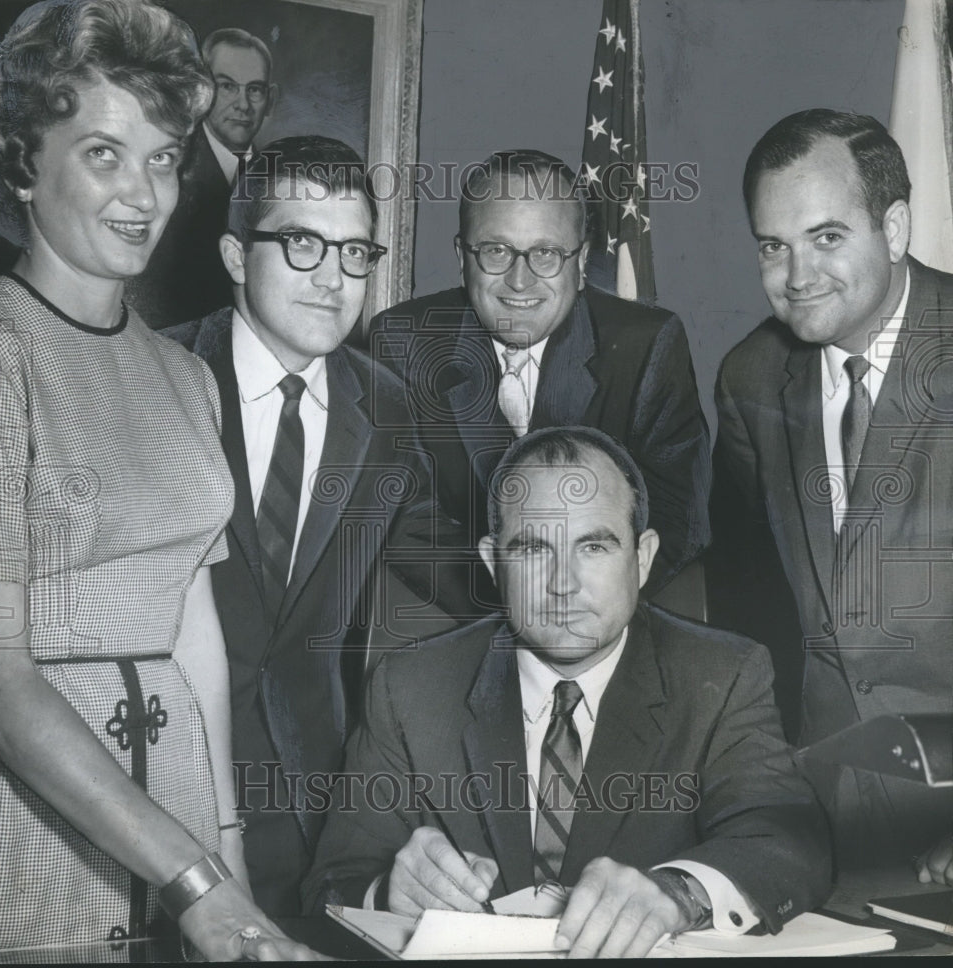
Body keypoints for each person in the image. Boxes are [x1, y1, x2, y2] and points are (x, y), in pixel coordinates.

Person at [0, 0, 316, 959]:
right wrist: (194, 879)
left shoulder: (183, 377)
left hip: (184, 879)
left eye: (162, 157)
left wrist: (227, 876)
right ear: (25, 163)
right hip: (20, 863)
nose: (145, 194)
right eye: (104, 153)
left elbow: (197, 644)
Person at [303, 427, 831, 957]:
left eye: (594, 545)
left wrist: (677, 893)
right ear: (493, 564)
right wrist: (387, 892)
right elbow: (331, 883)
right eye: (533, 548)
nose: (563, 583)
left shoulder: (722, 675)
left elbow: (788, 842)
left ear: (643, 558)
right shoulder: (409, 687)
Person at [167, 135, 462, 918]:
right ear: (236, 254)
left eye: (356, 252)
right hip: (159, 792)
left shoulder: (390, 407)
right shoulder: (158, 379)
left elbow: (454, 579)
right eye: (302, 243)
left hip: (315, 811)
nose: (334, 279)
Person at [708, 109, 953, 879]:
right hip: (817, 811)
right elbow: (746, 603)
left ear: (897, 225)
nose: (797, 276)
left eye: (827, 237)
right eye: (772, 246)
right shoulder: (750, 377)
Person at [368, 150, 711, 602]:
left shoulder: (646, 345)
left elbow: (678, 518)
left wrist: (581, 619)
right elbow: (404, 521)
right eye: (495, 251)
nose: (519, 281)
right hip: (466, 617)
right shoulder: (401, 342)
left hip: (603, 622)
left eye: (546, 254)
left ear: (582, 260)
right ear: (461, 255)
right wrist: (519, 611)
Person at [124, 27, 276, 329]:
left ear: (270, 99)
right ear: (203, 91)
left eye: (254, 90)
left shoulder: (281, 182)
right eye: (228, 87)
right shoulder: (165, 168)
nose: (243, 105)